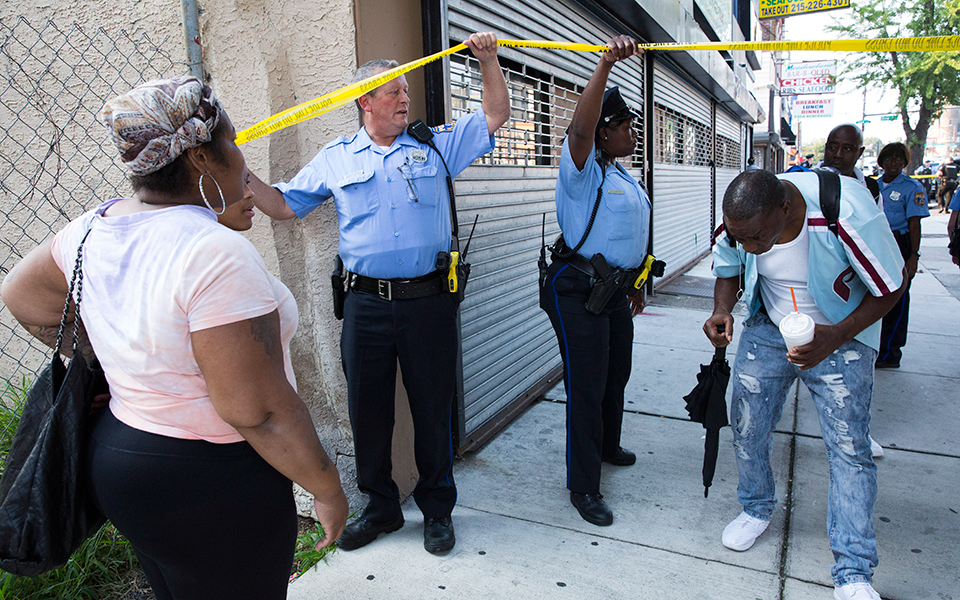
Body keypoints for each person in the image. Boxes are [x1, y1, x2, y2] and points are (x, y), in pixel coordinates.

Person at [0, 76, 348, 599]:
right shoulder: (213, 252)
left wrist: (111, 359)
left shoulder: (92, 228)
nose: (241, 157)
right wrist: (327, 488)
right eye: (232, 141)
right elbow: (259, 411)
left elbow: (23, 297)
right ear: (201, 158)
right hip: (210, 479)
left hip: (121, 456)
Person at [248, 32, 509, 554]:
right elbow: (281, 205)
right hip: (365, 305)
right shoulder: (336, 157)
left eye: (406, 90)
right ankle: (382, 507)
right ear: (365, 100)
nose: (405, 99)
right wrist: (234, 170)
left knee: (433, 408)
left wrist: (488, 59)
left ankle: (437, 510)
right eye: (394, 92)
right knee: (368, 411)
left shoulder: (434, 145)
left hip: (429, 302)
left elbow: (496, 115)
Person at [704, 169, 905, 600]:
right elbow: (728, 266)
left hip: (839, 332)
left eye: (758, 239)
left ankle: (853, 571)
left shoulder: (845, 211)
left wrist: (837, 335)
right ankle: (756, 508)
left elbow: (891, 286)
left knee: (849, 449)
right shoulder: (743, 218)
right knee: (746, 426)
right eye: (744, 240)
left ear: (786, 208)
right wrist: (723, 307)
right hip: (770, 328)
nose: (751, 249)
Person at [538, 36, 649, 527]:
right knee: (586, 385)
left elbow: (630, 232)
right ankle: (583, 486)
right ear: (603, 134)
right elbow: (579, 129)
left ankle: (606, 445)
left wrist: (637, 282)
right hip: (578, 289)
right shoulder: (580, 170)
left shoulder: (620, 173)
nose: (632, 131)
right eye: (624, 124)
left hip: (615, 291)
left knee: (615, 371)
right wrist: (604, 63)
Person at [875, 143, 929, 369]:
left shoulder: (911, 187)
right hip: (876, 242)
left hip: (899, 243)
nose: (893, 163)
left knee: (897, 299)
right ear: (882, 161)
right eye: (889, 158)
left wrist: (913, 256)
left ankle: (890, 352)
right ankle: (876, 347)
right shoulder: (872, 185)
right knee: (875, 296)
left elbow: (914, 224)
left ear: (905, 162)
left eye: (899, 159)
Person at [821, 124, 881, 202]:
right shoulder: (804, 182)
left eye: (847, 149)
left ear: (860, 152)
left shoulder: (871, 189)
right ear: (826, 148)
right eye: (832, 147)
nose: (838, 155)